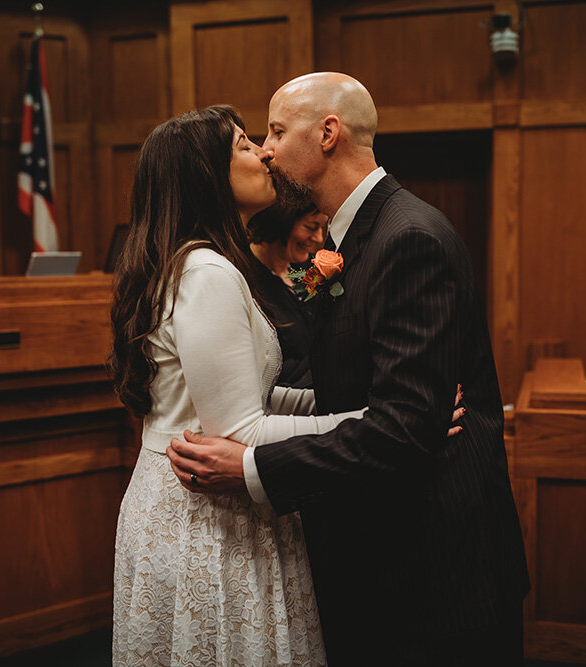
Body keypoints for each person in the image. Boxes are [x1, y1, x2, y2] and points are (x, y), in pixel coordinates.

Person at [167, 73, 530, 665]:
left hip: (435, 573)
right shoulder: (354, 237)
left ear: (329, 133)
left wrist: (255, 465)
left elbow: (407, 428)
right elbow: (352, 390)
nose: (266, 148)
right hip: (385, 559)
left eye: (278, 130)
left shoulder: (406, 238)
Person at [107, 105, 467, 665]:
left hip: (190, 497)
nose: (264, 154)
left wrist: (371, 404)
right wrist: (380, 421)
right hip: (210, 511)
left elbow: (246, 396)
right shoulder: (207, 273)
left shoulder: (191, 262)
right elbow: (241, 428)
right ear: (208, 174)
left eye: (266, 137)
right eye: (246, 145)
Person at [248, 201, 328, 387]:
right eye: (310, 227)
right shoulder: (247, 279)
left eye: (322, 228)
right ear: (282, 220)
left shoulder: (303, 269)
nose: (317, 238)